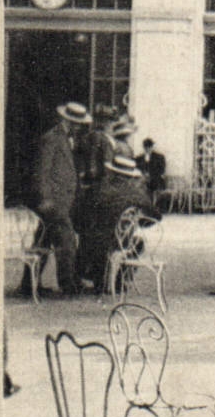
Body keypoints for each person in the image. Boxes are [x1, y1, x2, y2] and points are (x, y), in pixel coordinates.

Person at [26, 101, 91, 297]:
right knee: (66, 240)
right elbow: (42, 171)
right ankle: (68, 284)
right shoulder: (52, 139)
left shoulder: (67, 139)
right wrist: (45, 199)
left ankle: (28, 284)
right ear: (67, 120)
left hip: (62, 201)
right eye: (76, 123)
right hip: (54, 202)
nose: (79, 127)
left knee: (43, 241)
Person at [78, 154, 159, 294]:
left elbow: (81, 214)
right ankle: (120, 279)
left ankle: (99, 277)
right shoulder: (136, 194)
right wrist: (138, 219)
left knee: (89, 238)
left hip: (93, 241)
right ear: (131, 176)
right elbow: (156, 216)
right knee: (138, 242)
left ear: (112, 172)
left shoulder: (97, 189)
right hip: (121, 242)